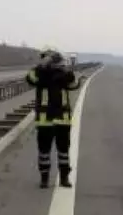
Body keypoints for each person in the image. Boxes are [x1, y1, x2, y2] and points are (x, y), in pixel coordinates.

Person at [26, 48, 81, 188]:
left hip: (63, 118)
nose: (45, 60)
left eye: (48, 58)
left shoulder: (63, 73)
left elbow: (73, 83)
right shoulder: (39, 73)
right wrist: (43, 67)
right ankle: (44, 179)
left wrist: (63, 69)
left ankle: (64, 178)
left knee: (63, 151)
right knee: (44, 151)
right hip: (45, 119)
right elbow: (30, 78)